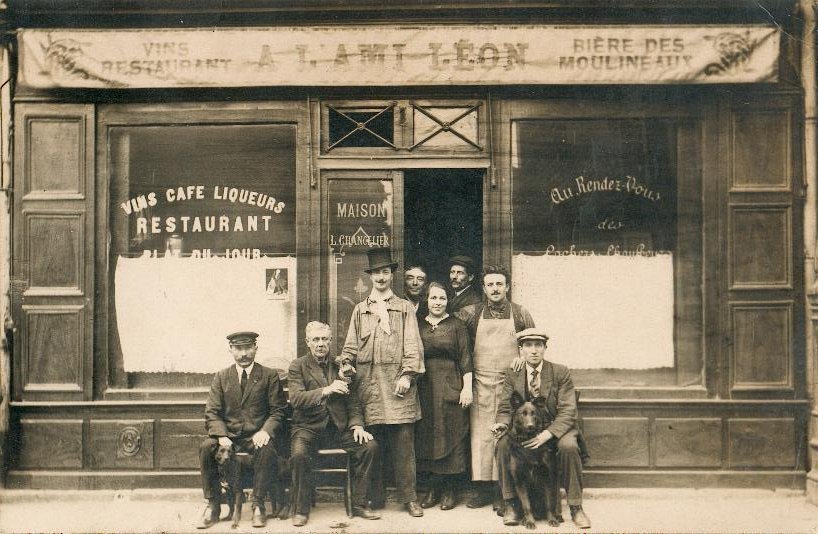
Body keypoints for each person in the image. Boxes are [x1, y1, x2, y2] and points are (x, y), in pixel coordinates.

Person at [340, 247, 426, 517]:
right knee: (373, 446)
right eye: (376, 272)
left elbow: (413, 346)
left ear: (392, 275)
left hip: (398, 387)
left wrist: (408, 375)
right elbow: (350, 348)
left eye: (385, 271)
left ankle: (409, 498)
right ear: (370, 277)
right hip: (369, 389)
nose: (380, 277)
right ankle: (373, 498)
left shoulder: (404, 309)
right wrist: (346, 365)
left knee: (403, 446)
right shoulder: (359, 311)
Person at [492, 328, 591, 529]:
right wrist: (501, 423)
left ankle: (575, 506)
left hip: (557, 428)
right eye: (528, 345)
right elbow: (505, 407)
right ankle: (510, 503)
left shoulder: (560, 372)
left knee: (568, 447)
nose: (534, 350)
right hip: (526, 429)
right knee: (502, 444)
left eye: (538, 345)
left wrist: (548, 433)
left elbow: (568, 411)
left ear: (545, 348)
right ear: (521, 350)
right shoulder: (514, 373)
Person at [455, 265, 534, 509]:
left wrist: (523, 355)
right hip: (480, 384)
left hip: (511, 386)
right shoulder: (471, 313)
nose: (495, 288)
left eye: (499, 284)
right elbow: (456, 341)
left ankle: (505, 492)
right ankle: (482, 490)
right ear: (484, 288)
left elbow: (533, 343)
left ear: (507, 287)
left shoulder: (520, 313)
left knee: (506, 437)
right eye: (490, 284)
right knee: (481, 438)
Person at [287, 321, 381, 527]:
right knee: (299, 455)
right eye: (316, 340)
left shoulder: (341, 365)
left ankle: (359, 503)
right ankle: (300, 509)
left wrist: (357, 425)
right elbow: (296, 399)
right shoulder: (297, 366)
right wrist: (327, 390)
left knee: (369, 447)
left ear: (330, 341)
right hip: (307, 428)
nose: (320, 344)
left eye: (324, 339)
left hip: (338, 428)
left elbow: (354, 401)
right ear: (307, 343)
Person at [197, 331, 287, 529]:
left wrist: (265, 431)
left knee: (267, 448)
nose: (244, 353)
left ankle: (258, 504)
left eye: (248, 348)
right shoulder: (221, 377)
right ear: (230, 350)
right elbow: (211, 412)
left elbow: (278, 410)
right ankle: (213, 504)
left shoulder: (269, 375)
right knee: (206, 447)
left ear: (256, 348)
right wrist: (221, 435)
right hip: (228, 437)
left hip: (256, 435)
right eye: (238, 348)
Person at [415, 282, 473, 511]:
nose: (437, 302)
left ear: (447, 301)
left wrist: (467, 388)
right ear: (426, 300)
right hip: (424, 387)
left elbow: (466, 358)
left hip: (451, 384)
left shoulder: (457, 325)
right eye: (433, 298)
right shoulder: (417, 324)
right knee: (428, 435)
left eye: (442, 298)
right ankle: (433, 488)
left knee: (451, 433)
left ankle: (450, 489)